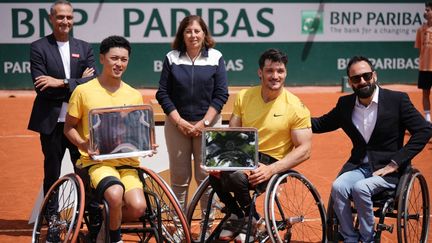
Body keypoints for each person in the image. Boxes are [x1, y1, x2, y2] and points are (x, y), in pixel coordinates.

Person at [312, 56, 432, 243]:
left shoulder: (397, 100)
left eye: (366, 76)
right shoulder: (345, 104)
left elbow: (424, 130)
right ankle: (351, 238)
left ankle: (368, 238)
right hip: (359, 167)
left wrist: (396, 162)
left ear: (374, 76)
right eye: (356, 78)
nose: (362, 81)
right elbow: (320, 124)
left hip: (389, 171)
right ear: (350, 83)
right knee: (338, 186)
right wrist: (294, 118)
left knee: (360, 188)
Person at [209, 48, 312, 242]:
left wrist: (271, 169)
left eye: (280, 71)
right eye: (270, 71)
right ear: (260, 72)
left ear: (285, 73)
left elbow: (305, 150)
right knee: (215, 174)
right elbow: (233, 132)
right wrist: (218, 160)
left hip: (273, 162)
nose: (275, 76)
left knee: (234, 176)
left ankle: (247, 219)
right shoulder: (244, 96)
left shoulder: (295, 106)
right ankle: (244, 216)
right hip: (246, 156)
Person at [64, 35, 153, 243]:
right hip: (97, 163)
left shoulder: (134, 95)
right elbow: (68, 128)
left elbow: (136, 131)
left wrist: (146, 144)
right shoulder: (83, 91)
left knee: (139, 207)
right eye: (114, 58)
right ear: (102, 58)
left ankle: (108, 220)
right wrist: (84, 144)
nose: (119, 64)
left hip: (127, 164)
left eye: (124, 59)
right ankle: (115, 238)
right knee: (114, 194)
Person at [155, 15, 229, 212]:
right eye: (188, 31)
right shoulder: (172, 57)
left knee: (207, 177)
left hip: (208, 125)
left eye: (197, 31)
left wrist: (204, 123)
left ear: (204, 33)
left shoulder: (216, 57)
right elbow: (162, 93)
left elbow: (221, 94)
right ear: (182, 34)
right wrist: (179, 122)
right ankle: (180, 228)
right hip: (177, 126)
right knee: (179, 178)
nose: (193, 35)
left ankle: (207, 226)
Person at [27, 0, 96, 207]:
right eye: (60, 17)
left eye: (68, 17)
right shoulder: (38, 47)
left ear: (73, 19)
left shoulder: (84, 48)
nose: (65, 21)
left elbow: (92, 82)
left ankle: (88, 219)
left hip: (78, 123)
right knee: (52, 173)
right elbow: (42, 87)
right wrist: (76, 84)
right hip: (52, 123)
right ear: (51, 19)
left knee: (84, 172)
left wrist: (61, 82)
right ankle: (53, 219)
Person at [416, 1, 432, 123]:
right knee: (425, 93)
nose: (425, 12)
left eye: (428, 10)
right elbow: (421, 49)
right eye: (425, 10)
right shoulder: (421, 29)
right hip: (424, 68)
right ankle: (427, 120)